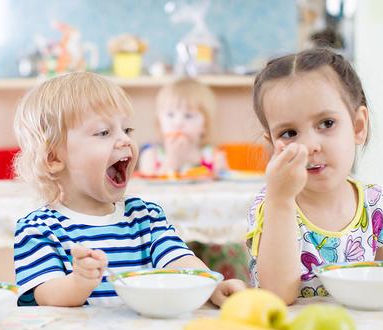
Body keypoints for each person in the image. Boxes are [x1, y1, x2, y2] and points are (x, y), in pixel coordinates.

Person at [13, 71, 245, 307]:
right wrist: (80, 282)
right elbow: (47, 296)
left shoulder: (145, 217)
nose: (124, 140)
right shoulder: (38, 229)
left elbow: (179, 259)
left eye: (127, 130)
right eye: (104, 132)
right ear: (53, 158)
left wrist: (212, 285)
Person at [246, 47, 383, 305]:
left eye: (326, 124)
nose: (311, 145)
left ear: (358, 126)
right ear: (272, 145)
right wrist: (280, 200)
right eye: (289, 133)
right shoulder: (271, 205)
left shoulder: (377, 203)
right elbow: (276, 296)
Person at [137, 78, 220, 177]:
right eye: (170, 115)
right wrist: (172, 160)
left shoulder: (214, 157)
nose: (178, 123)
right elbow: (149, 188)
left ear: (205, 126)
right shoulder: (150, 155)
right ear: (159, 123)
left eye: (188, 116)